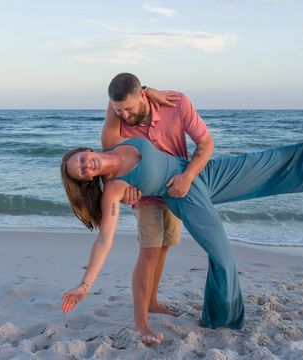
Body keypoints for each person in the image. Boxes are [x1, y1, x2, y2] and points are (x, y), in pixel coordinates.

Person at [60, 122, 303, 343]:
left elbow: (118, 95)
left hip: (196, 172)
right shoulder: (114, 189)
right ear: (88, 179)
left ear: (86, 150)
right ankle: (221, 318)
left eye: (82, 159)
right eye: (82, 171)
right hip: (185, 196)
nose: (86, 165)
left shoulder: (116, 140)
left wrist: (148, 90)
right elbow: (105, 239)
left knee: (252, 163)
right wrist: (85, 285)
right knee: (222, 254)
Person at [98, 73, 215, 344]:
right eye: (118, 110)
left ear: (142, 97)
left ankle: (152, 301)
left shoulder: (175, 103)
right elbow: (111, 158)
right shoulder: (116, 121)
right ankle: (141, 322)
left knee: (164, 246)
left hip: (176, 189)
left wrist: (188, 177)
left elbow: (206, 144)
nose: (125, 115)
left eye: (129, 108)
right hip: (146, 195)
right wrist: (124, 190)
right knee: (149, 251)